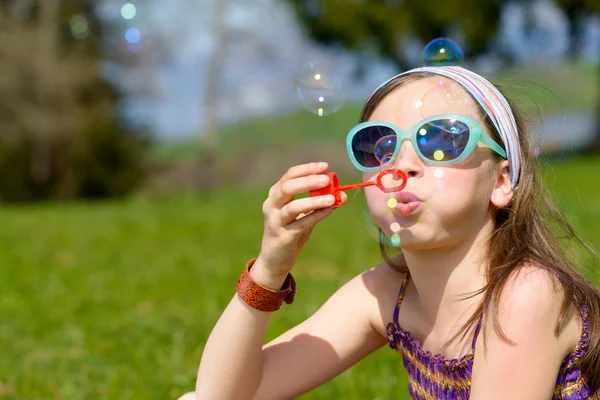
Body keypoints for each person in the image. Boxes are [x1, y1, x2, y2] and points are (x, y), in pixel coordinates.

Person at [186, 65, 600, 400]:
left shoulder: (525, 294)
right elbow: (220, 395)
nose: (402, 166)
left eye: (439, 141)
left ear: (502, 181)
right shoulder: (389, 293)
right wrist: (269, 267)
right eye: (379, 146)